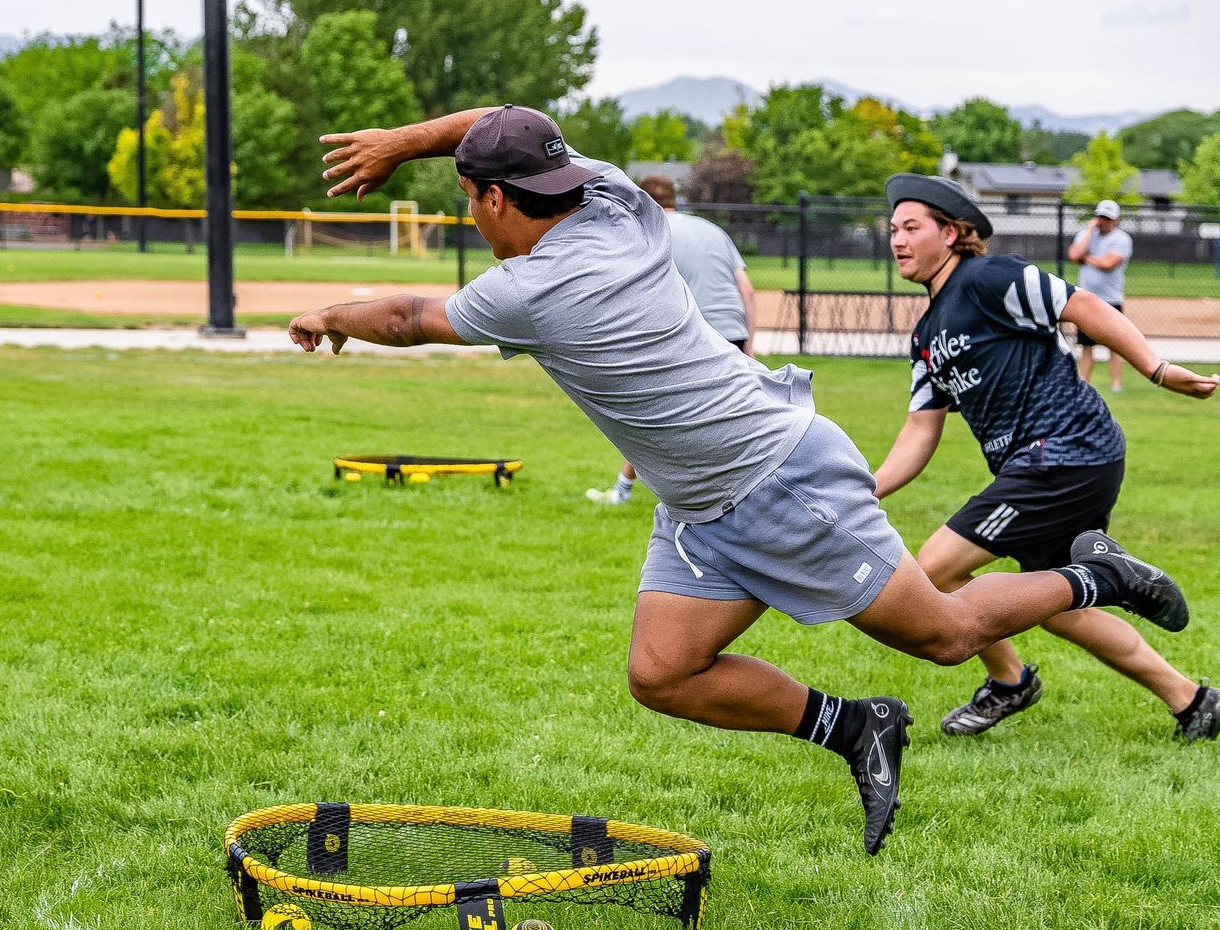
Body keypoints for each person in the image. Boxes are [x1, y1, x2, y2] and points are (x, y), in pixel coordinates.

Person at [292, 107, 1194, 855]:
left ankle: (1096, 574)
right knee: (663, 671)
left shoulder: (536, 290)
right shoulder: (615, 201)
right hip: (699, 500)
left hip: (774, 477)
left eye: (472, 199)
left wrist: (332, 311)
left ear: (490, 199)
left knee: (948, 637)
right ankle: (857, 726)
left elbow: (411, 314)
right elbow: (503, 125)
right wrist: (407, 143)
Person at [873, 176, 1217, 741]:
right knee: (1057, 607)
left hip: (1065, 449)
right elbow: (919, 431)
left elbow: (1080, 304)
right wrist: (865, 489)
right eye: (893, 229)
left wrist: (1155, 368)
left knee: (935, 568)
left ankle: (1011, 680)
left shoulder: (987, 277)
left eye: (912, 227)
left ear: (953, 233)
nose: (898, 240)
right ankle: (1194, 702)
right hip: (1046, 464)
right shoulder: (926, 334)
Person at [588, 173, 757, 506]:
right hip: (733, 331)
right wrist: (748, 344)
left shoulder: (652, 230)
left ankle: (624, 493)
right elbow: (747, 292)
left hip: (695, 336)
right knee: (725, 417)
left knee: (652, 414)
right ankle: (739, 491)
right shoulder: (713, 230)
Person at [1068, 199, 1133, 391]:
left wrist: (1086, 257)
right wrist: (1089, 232)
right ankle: (1083, 384)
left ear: (1116, 220)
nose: (1103, 221)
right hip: (1086, 300)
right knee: (1086, 345)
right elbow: (1073, 255)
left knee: (1115, 345)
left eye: (1108, 218)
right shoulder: (1085, 235)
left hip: (1111, 300)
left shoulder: (1122, 239)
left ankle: (1116, 384)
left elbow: (1108, 264)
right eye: (1101, 217)